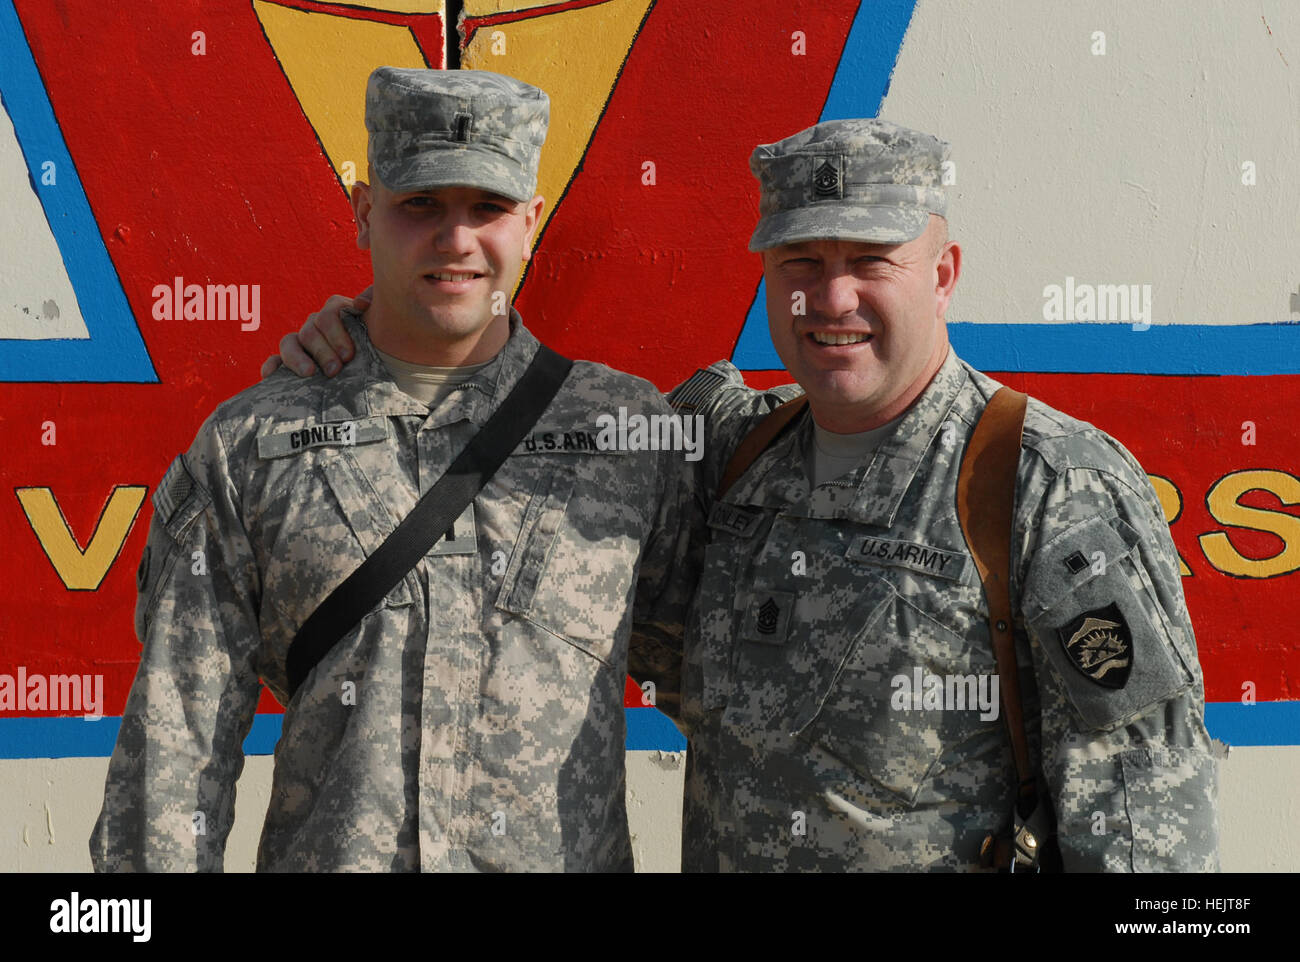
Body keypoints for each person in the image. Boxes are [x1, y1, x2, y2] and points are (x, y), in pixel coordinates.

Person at [271, 118, 1220, 872]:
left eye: (871, 262)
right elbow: (518, 470)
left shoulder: (1044, 486)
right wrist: (371, 337)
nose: (833, 297)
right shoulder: (728, 451)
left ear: (944, 275)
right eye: (801, 264)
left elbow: (1148, 830)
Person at [91, 67, 692, 872]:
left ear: (531, 222)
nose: (456, 239)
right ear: (365, 212)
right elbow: (172, 766)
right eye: (421, 206)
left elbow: (736, 689)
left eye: (488, 208)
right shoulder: (249, 448)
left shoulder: (626, 435)